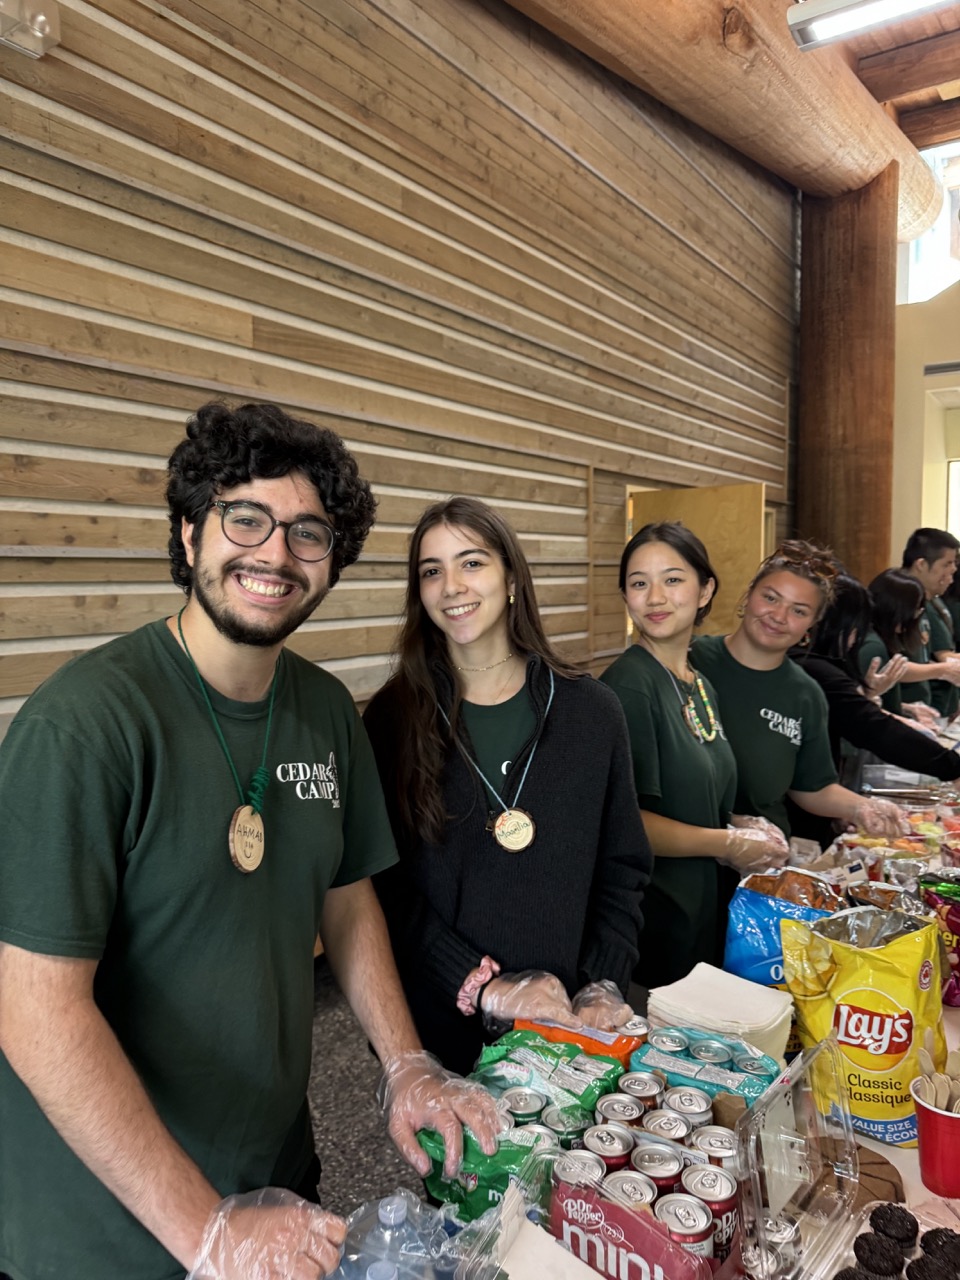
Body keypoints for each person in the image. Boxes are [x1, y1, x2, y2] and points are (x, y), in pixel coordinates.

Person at [0, 403, 498, 1280]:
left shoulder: (323, 712)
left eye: (308, 533)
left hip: (274, 1176)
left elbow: (346, 902)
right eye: (245, 519)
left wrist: (407, 1063)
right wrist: (205, 1232)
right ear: (189, 536)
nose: (274, 554)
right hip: (110, 1223)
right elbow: (34, 1014)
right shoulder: (83, 726)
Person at [363, 497, 652, 1075]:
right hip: (443, 1025)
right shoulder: (394, 717)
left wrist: (603, 983)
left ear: (512, 578)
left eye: (472, 563)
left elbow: (621, 869)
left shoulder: (591, 712)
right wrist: (480, 983)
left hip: (573, 1022)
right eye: (431, 571)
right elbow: (385, 891)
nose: (451, 586)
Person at [599, 522, 788, 987]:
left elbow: (702, 792)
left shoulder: (699, 684)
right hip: (652, 924)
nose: (655, 597)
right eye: (639, 583)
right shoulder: (628, 685)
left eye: (673, 579)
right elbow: (626, 822)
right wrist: (727, 844)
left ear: (705, 591)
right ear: (626, 597)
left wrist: (742, 825)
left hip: (702, 915)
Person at [690, 539, 907, 841]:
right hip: (683, 853)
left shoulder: (805, 694)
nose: (779, 616)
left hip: (762, 860)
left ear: (812, 624)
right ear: (749, 594)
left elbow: (813, 787)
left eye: (799, 611)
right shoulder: (691, 659)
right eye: (770, 598)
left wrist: (860, 807)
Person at [790, 573, 960, 845]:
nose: (855, 639)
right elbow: (873, 727)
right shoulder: (815, 669)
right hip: (798, 812)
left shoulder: (810, 666)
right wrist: (952, 767)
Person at [857, 568, 956, 724]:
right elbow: (858, 704)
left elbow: (879, 699)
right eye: (915, 609)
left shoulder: (882, 639)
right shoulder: (872, 646)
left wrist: (905, 708)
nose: (917, 615)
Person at [901, 527, 960, 720]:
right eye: (947, 563)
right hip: (906, 711)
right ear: (921, 564)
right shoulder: (898, 601)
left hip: (930, 710)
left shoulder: (933, 601)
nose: (953, 570)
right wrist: (942, 669)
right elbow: (889, 665)